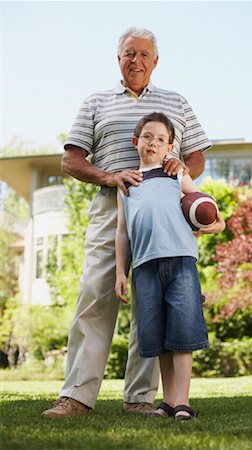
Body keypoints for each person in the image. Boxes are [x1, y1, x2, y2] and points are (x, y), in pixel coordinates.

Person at [43, 27, 213, 419]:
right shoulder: (96, 102)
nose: (135, 60)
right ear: (117, 58)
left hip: (165, 211)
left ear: (156, 61)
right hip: (113, 207)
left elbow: (197, 156)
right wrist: (110, 177)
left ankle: (139, 398)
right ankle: (77, 396)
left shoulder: (177, 102)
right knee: (96, 295)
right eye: (128, 53)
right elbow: (71, 160)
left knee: (152, 301)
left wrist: (182, 166)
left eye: (143, 54)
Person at [115, 112, 225, 420]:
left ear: (170, 147)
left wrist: (214, 225)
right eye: (147, 136)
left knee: (182, 332)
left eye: (161, 139)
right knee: (161, 336)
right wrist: (120, 272)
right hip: (146, 266)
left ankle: (182, 402)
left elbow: (208, 213)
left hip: (180, 261)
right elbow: (122, 232)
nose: (153, 143)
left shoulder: (177, 174)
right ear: (136, 142)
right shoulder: (126, 184)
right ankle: (167, 400)